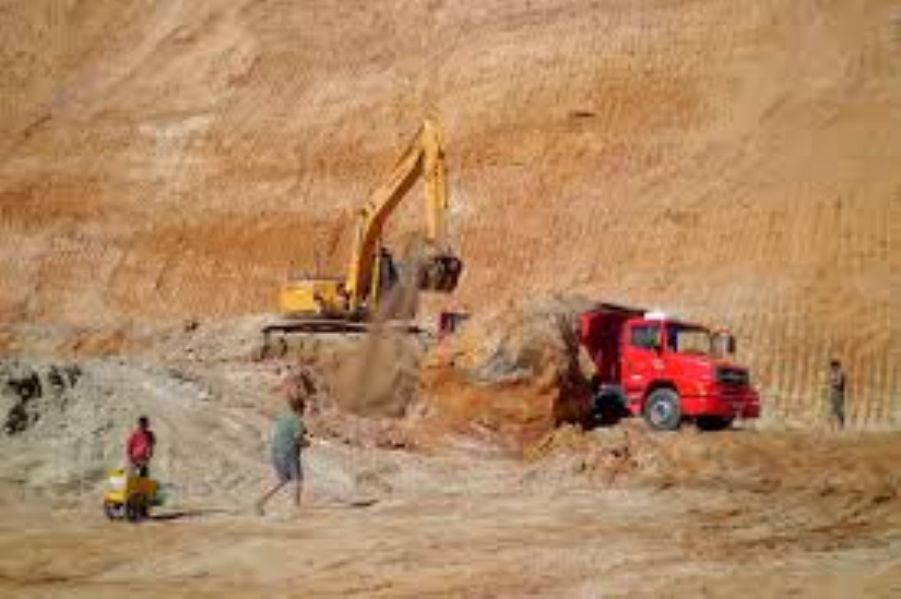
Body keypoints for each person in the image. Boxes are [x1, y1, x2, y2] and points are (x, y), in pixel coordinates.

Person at [256, 375, 311, 515]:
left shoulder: (284, 415)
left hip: (275, 452)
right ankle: (296, 507)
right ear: (301, 411)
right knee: (298, 479)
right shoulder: (296, 421)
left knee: (283, 480)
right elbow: (298, 439)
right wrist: (306, 443)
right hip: (288, 453)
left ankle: (262, 500)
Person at [827, 359, 847, 431]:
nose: (832, 368)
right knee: (832, 409)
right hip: (833, 393)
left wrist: (832, 383)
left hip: (839, 393)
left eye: (833, 367)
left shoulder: (841, 373)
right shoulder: (833, 373)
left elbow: (839, 384)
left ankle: (841, 425)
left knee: (839, 410)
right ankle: (832, 426)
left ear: (836, 366)